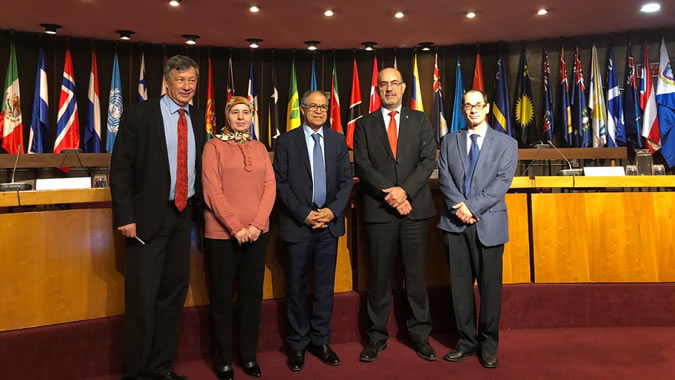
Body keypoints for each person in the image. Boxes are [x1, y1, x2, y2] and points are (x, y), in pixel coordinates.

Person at [110, 55, 206, 380]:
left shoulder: (195, 120)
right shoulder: (140, 114)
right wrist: (125, 216)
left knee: (172, 299)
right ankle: (135, 372)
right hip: (145, 222)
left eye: (192, 81)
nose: (187, 87)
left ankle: (161, 367)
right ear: (167, 81)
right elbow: (120, 168)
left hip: (182, 220)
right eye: (181, 80)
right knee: (141, 301)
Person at [353, 67, 437, 362]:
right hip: (379, 211)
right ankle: (376, 337)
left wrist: (405, 192)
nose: (388, 89)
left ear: (403, 88)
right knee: (378, 277)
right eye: (383, 85)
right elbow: (362, 165)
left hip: (414, 210)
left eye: (393, 84)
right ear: (377, 90)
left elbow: (428, 160)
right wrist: (392, 193)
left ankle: (420, 335)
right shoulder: (364, 124)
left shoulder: (420, 119)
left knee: (415, 276)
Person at [437, 89, 518, 369]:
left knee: (490, 290)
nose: (473, 110)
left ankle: (488, 345)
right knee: (460, 289)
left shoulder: (506, 143)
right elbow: (444, 177)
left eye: (478, 105)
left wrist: (471, 208)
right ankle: (466, 341)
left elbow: (501, 182)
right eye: (467, 106)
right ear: (462, 110)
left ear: (486, 109)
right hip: (454, 223)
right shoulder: (449, 141)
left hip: (489, 224)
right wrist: (459, 207)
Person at [274, 90, 353, 372]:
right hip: (299, 226)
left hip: (328, 225)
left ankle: (320, 340)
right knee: (295, 287)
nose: (319, 111)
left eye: (323, 107)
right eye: (313, 107)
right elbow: (280, 183)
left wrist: (331, 211)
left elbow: (346, 181)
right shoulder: (285, 141)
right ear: (303, 110)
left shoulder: (337, 140)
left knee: (323, 287)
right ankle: (297, 344)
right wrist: (305, 214)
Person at [202, 96, 276, 380]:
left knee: (251, 298)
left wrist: (257, 225)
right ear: (227, 115)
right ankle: (222, 361)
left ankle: (248, 356)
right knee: (221, 299)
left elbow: (270, 187)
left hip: (257, 234)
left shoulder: (259, 147)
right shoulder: (213, 146)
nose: (241, 117)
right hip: (222, 235)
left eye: (246, 112)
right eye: (236, 112)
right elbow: (211, 191)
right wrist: (236, 227)